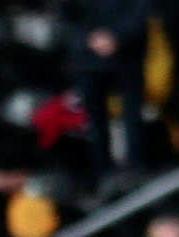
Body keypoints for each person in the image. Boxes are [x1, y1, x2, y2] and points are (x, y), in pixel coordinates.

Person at [60, 0, 150, 170]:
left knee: (133, 117)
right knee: (95, 122)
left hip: (127, 55)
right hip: (87, 59)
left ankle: (137, 167)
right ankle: (103, 172)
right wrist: (91, 37)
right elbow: (67, 14)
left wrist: (117, 36)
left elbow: (140, 11)